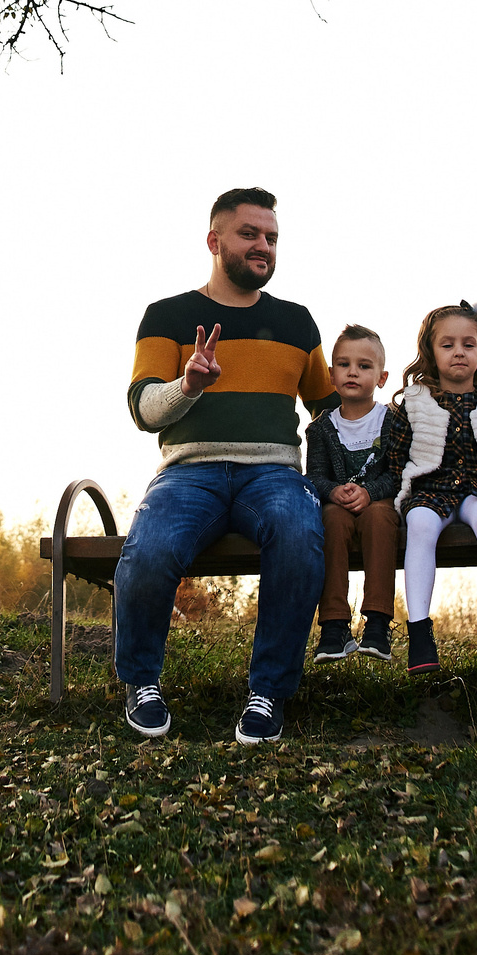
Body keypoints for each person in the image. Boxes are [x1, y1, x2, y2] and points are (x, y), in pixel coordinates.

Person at [113, 186, 334, 746]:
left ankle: (269, 693)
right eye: (250, 234)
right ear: (215, 241)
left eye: (272, 237)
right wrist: (187, 384)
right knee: (150, 548)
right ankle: (142, 683)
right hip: (190, 473)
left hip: (275, 474)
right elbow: (143, 408)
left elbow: (331, 412)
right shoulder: (167, 316)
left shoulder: (297, 322)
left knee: (298, 532)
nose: (264, 246)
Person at [382, 301, 477, 674]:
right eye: (447, 344)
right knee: (420, 525)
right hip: (429, 489)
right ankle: (419, 633)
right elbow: (395, 457)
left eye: (469, 344)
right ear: (430, 353)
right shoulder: (413, 403)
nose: (458, 353)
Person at [302, 325, 407, 662]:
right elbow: (314, 477)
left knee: (379, 515)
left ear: (381, 377)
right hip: (339, 507)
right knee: (330, 519)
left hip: (380, 504)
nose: (353, 372)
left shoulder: (393, 421)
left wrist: (369, 492)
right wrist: (334, 492)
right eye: (344, 365)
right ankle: (334, 625)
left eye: (364, 366)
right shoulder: (320, 427)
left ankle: (377, 623)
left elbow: (400, 473)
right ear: (332, 375)